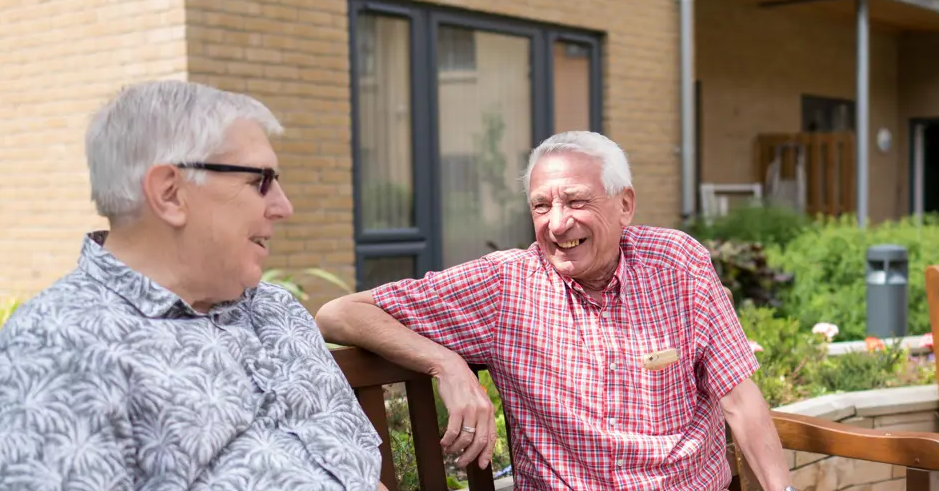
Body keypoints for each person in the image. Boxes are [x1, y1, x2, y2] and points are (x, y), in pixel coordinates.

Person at [0, 81, 387, 491]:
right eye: (260, 181)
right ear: (170, 193)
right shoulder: (55, 353)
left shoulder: (276, 313)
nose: (283, 207)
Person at [316, 131, 796, 490]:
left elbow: (740, 400)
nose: (558, 223)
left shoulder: (678, 263)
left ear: (625, 204)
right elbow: (338, 313)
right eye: (541, 206)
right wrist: (446, 363)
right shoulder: (503, 287)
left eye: (576, 201)